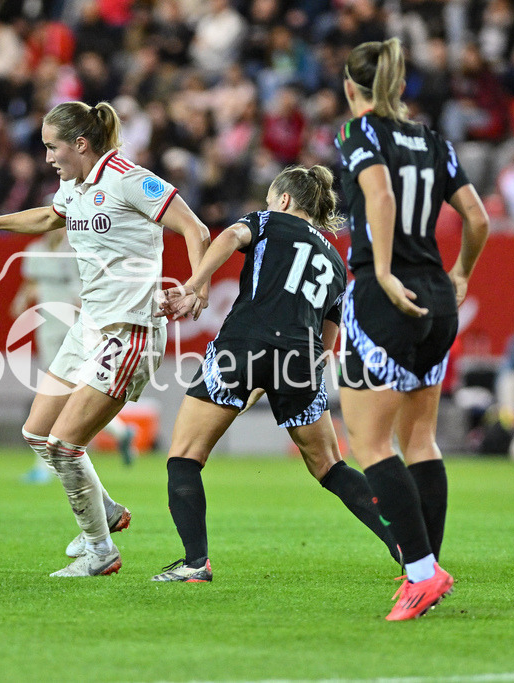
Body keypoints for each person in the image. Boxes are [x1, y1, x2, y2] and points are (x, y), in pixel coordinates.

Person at [0, 100, 211, 577]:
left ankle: (100, 551)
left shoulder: (130, 179)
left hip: (129, 329)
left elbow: (195, 228)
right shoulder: (74, 186)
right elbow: (50, 218)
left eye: (53, 147)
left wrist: (197, 287)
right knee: (37, 434)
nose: (47, 156)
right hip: (88, 326)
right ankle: (106, 510)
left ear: (81, 144)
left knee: (66, 445)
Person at [151, 165, 400, 583]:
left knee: (185, 456)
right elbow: (328, 336)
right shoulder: (336, 261)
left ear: (283, 200)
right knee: (331, 467)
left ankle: (196, 563)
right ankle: (407, 549)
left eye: (270, 199)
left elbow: (227, 236)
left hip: (244, 345)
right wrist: (298, 376)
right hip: (301, 359)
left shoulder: (269, 221)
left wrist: (195, 284)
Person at [334, 38, 489, 620]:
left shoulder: (358, 133)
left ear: (352, 88)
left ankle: (422, 573)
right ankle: (423, 572)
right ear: (398, 87)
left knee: (369, 443)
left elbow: (377, 192)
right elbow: (477, 216)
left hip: (386, 297)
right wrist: (462, 274)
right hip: (438, 297)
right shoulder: (434, 141)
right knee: (419, 438)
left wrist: (378, 270)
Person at [10, 228, 140, 484]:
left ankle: (44, 465)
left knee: (61, 393)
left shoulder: (78, 248)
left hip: (75, 329)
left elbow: (84, 289)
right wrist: (20, 300)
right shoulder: (36, 249)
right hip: (48, 327)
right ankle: (122, 432)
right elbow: (32, 282)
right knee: (65, 394)